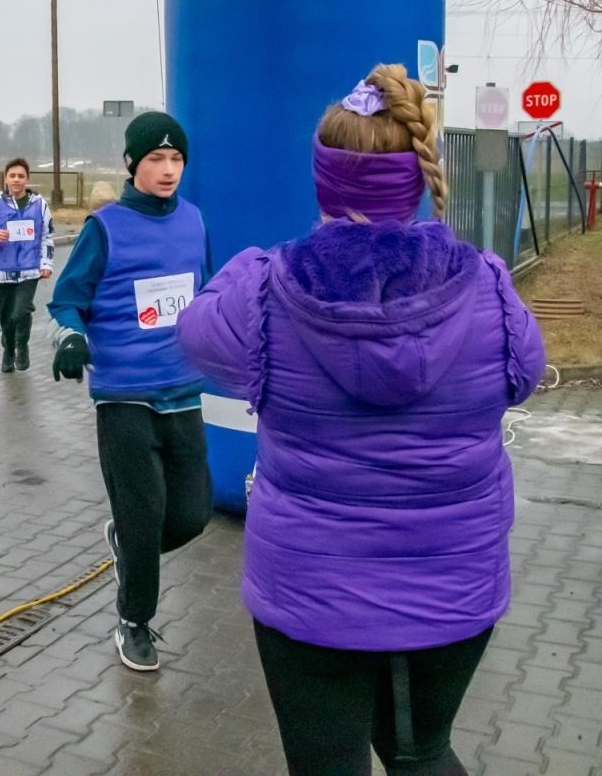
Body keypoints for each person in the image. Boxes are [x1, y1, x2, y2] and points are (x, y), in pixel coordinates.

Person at [176, 65, 546, 775]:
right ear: (414, 180)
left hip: (311, 594)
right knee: (422, 753)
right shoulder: (490, 287)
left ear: (323, 180)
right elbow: (524, 375)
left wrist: (252, 260)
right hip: (453, 588)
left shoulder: (265, 288)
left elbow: (195, 335)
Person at [48, 111, 214, 672]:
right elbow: (66, 300)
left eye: (176, 159)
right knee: (144, 518)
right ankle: (134, 621)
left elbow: (209, 294)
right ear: (130, 164)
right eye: (156, 159)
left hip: (183, 391)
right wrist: (71, 337)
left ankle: (127, 544)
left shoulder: (194, 220)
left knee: (192, 515)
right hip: (123, 397)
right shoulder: (105, 228)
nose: (168, 170)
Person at [0, 157, 54, 373]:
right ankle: (8, 350)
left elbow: (47, 236)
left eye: (21, 176)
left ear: (27, 179)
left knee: (20, 313)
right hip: (3, 272)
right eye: (12, 176)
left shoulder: (39, 205)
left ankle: (22, 346)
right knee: (5, 317)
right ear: (6, 179)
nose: (16, 180)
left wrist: (46, 264)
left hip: (30, 271)